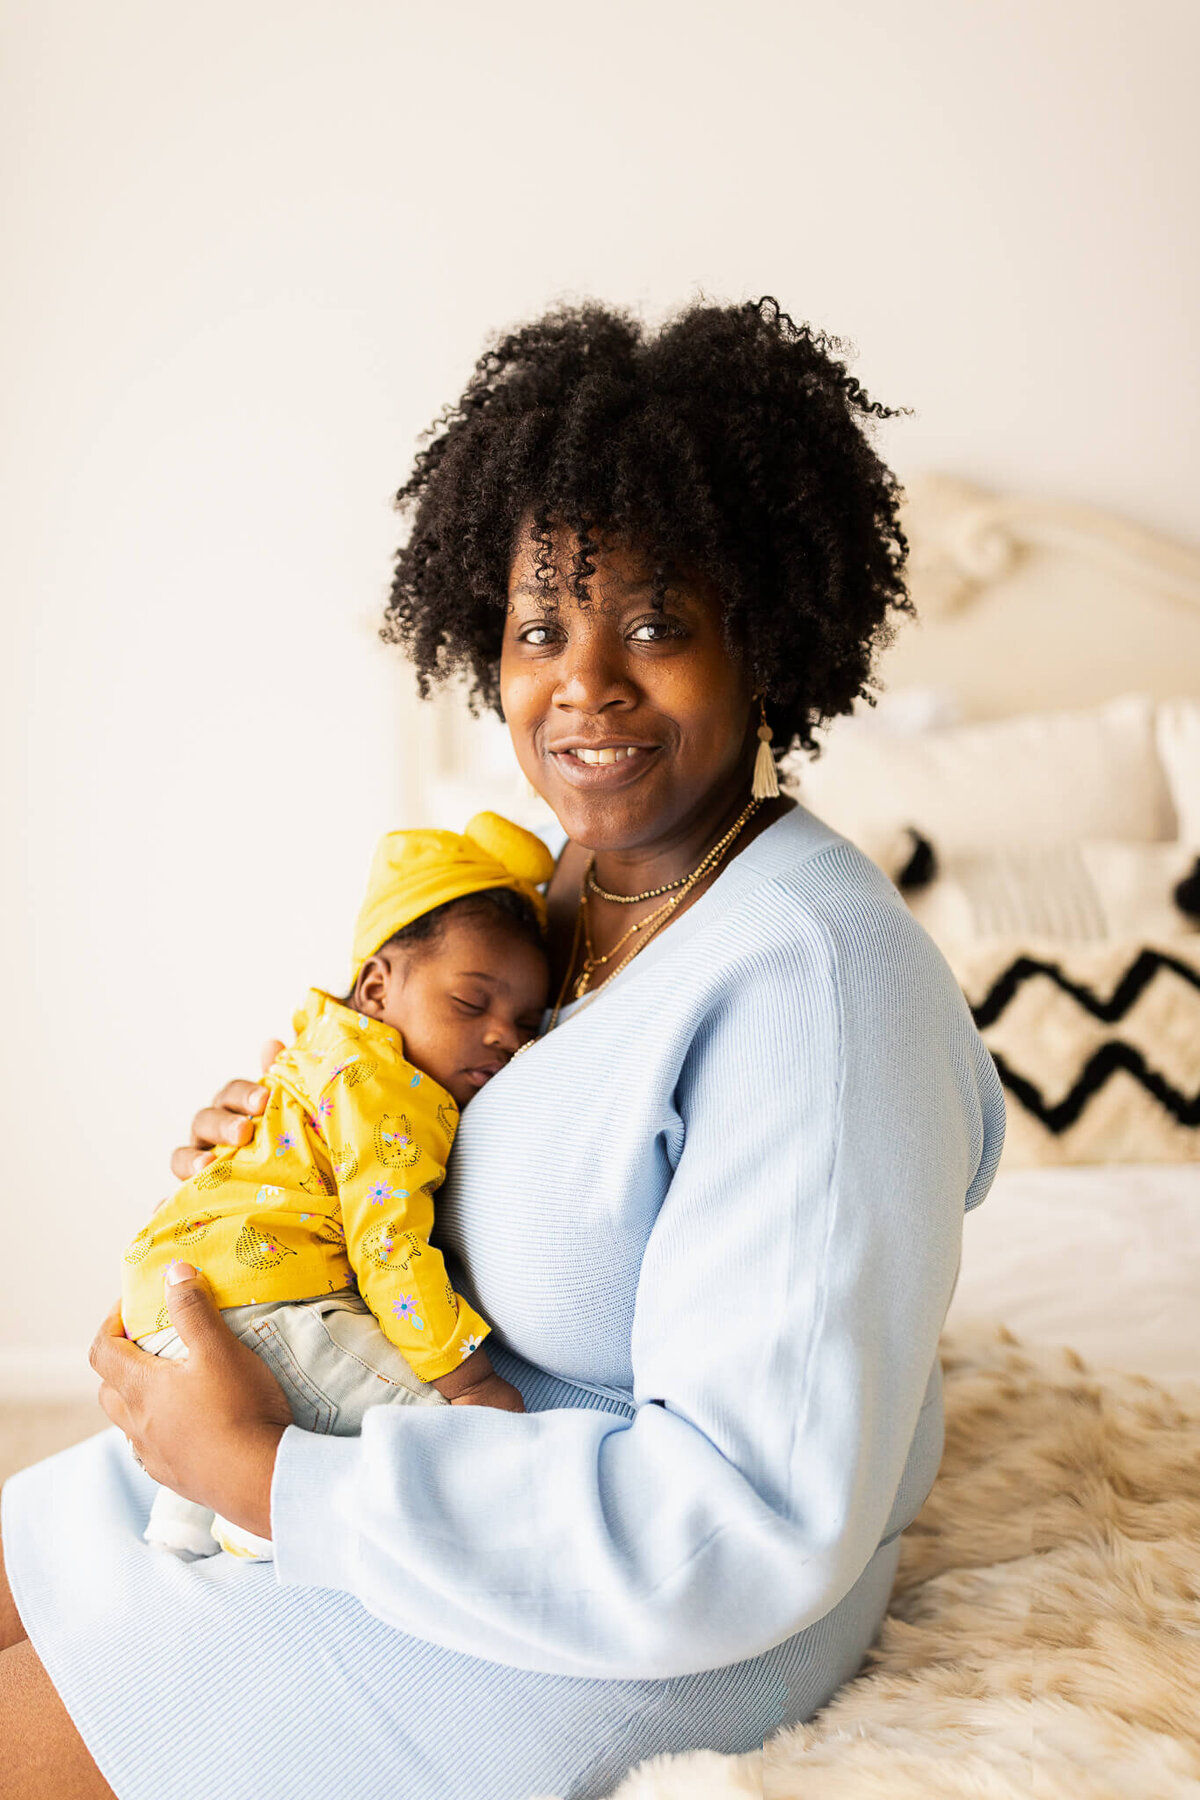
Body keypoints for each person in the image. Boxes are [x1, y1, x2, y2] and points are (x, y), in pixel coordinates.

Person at [0, 296, 1005, 1800]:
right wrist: (295, 1143)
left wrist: (266, 1479)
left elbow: (744, 1528)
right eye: (542, 626)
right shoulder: (551, 899)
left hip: (588, 1608)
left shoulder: (817, 989)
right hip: (383, 1451)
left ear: (769, 639)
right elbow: (422, 1107)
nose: (581, 684)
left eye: (656, 622)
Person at [122, 812, 550, 1560]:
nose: (502, 1037)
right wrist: (467, 1378)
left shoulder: (322, 1047)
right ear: (378, 987)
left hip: (172, 1289)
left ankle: (182, 1520)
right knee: (451, 1441)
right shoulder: (391, 1091)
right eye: (471, 1002)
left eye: (524, 1022)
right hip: (264, 1303)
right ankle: (251, 1517)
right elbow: (388, 1247)